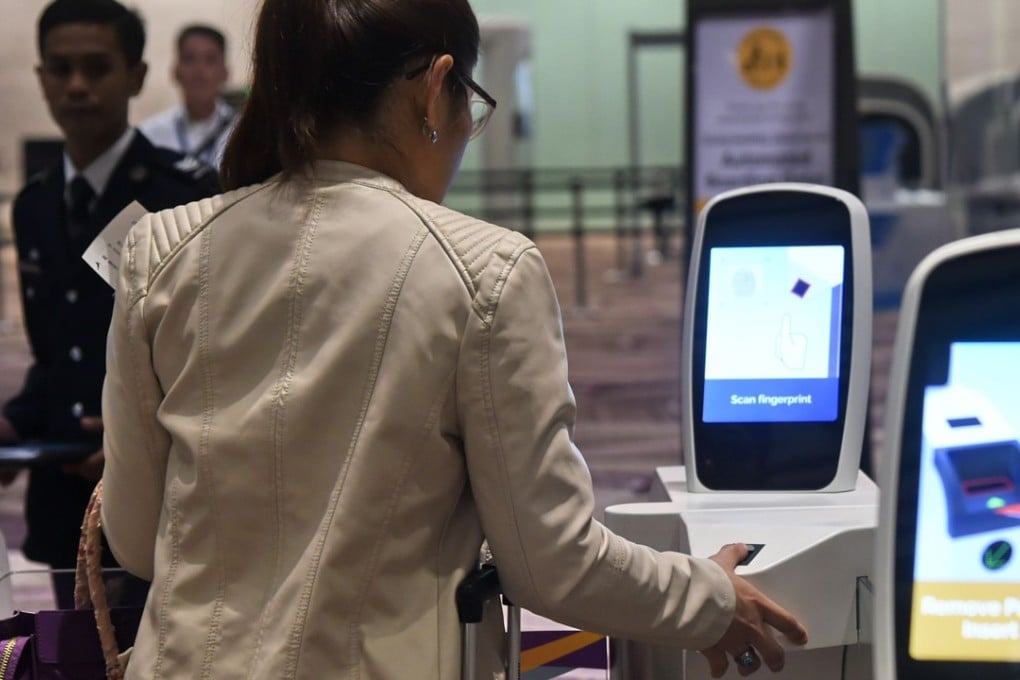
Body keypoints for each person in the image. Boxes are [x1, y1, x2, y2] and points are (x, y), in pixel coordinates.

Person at [100, 0, 807, 677]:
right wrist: (710, 597)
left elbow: (134, 541)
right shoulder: (485, 273)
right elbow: (554, 562)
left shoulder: (161, 252)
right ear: (436, 90)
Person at [0, 0, 220, 608]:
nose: (76, 86)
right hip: (62, 500)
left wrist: (140, 435)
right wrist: (16, 422)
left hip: (158, 502)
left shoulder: (185, 195)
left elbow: (216, 357)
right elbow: (56, 356)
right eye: (60, 68)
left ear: (136, 76)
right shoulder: (37, 204)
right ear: (41, 77)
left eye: (96, 68)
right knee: (66, 659)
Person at [138, 24, 236, 168]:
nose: (199, 71)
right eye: (189, 59)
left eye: (210, 60)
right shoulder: (150, 135)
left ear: (225, 72)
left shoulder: (243, 134)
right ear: (175, 71)